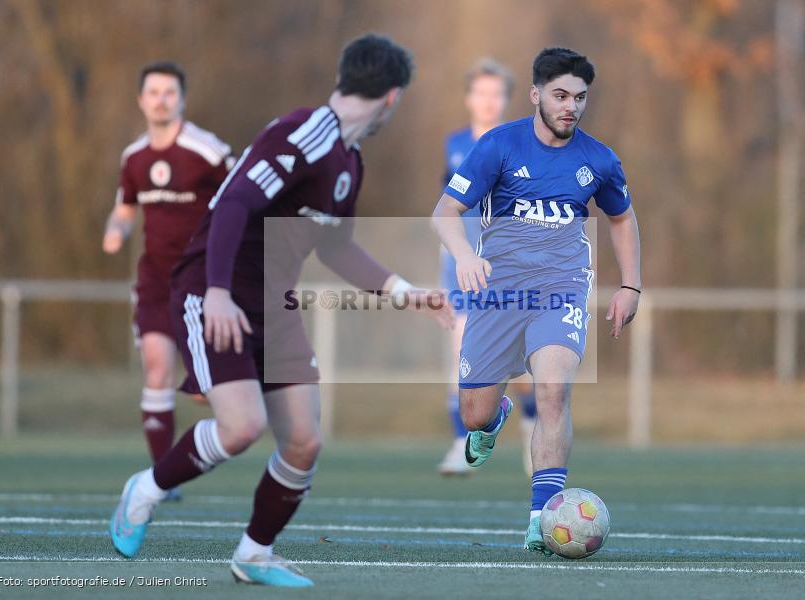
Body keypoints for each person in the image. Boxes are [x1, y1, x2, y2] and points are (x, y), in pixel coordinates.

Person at [109, 34, 452, 587]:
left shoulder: (349, 160)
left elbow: (336, 246)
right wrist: (217, 291)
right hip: (210, 289)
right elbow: (236, 202)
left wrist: (404, 291)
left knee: (304, 440)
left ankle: (253, 555)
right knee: (242, 426)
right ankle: (144, 490)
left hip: (275, 302)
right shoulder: (302, 133)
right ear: (393, 98)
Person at [432, 47, 641, 555]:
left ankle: (541, 517)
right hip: (499, 292)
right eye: (560, 95)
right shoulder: (497, 147)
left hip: (563, 289)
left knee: (552, 393)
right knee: (475, 415)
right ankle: (495, 415)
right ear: (536, 95)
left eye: (580, 97)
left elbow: (621, 218)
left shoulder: (598, 159)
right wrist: (463, 255)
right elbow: (444, 212)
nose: (571, 106)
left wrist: (631, 284)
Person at [102, 61, 233, 499]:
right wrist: (115, 232)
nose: (161, 99)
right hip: (156, 281)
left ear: (182, 99)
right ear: (141, 100)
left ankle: (239, 424)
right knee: (156, 370)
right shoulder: (133, 158)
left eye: (169, 92)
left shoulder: (207, 150)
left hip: (202, 279)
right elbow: (124, 210)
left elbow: (241, 194)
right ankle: (162, 478)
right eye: (153, 92)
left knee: (205, 391)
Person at [437, 58, 539, 478]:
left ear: (506, 99)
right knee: (461, 352)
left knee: (521, 365)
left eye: (496, 93)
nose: (488, 101)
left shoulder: (520, 143)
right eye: (480, 92)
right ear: (468, 98)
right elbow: (448, 207)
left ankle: (534, 435)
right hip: (462, 269)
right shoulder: (455, 144)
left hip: (509, 268)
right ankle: (464, 442)